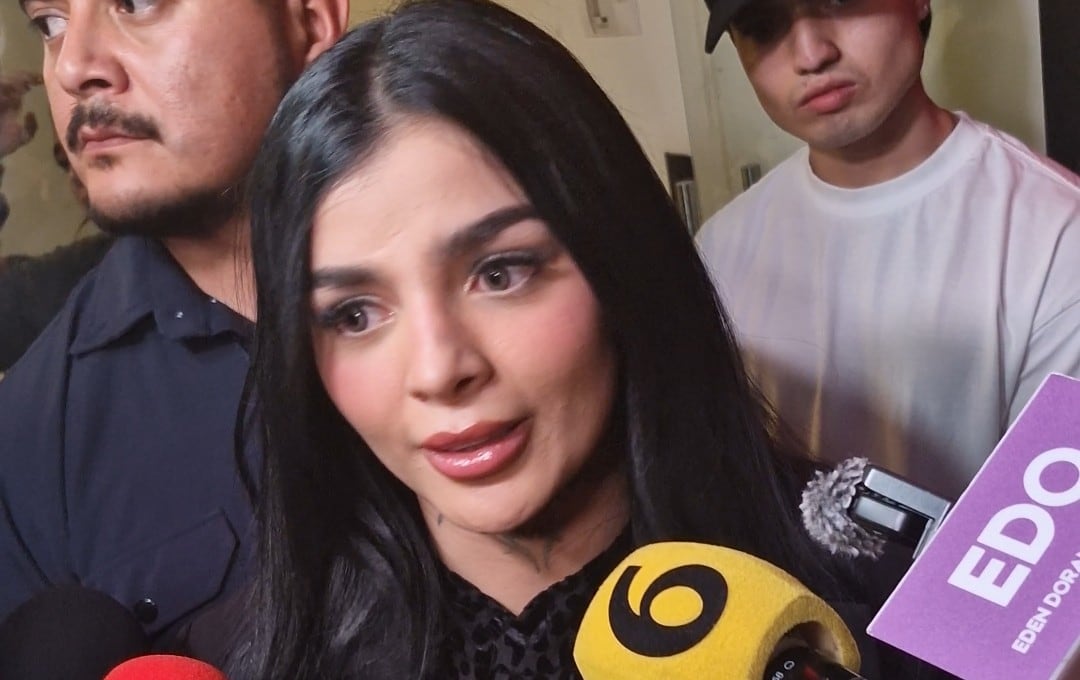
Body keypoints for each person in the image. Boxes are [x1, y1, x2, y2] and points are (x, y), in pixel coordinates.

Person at [209, 2, 941, 677]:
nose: (438, 369)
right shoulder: (265, 652)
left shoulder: (878, 598)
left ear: (619, 255)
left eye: (501, 273)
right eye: (354, 315)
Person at [0, 0, 348, 646]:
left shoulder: (490, 297)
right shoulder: (29, 437)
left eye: (136, 3)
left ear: (310, 21)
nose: (73, 67)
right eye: (49, 24)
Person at [695, 0, 1080, 499]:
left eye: (840, 2)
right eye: (762, 28)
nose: (811, 55)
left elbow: (1050, 518)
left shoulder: (1055, 235)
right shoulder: (718, 248)